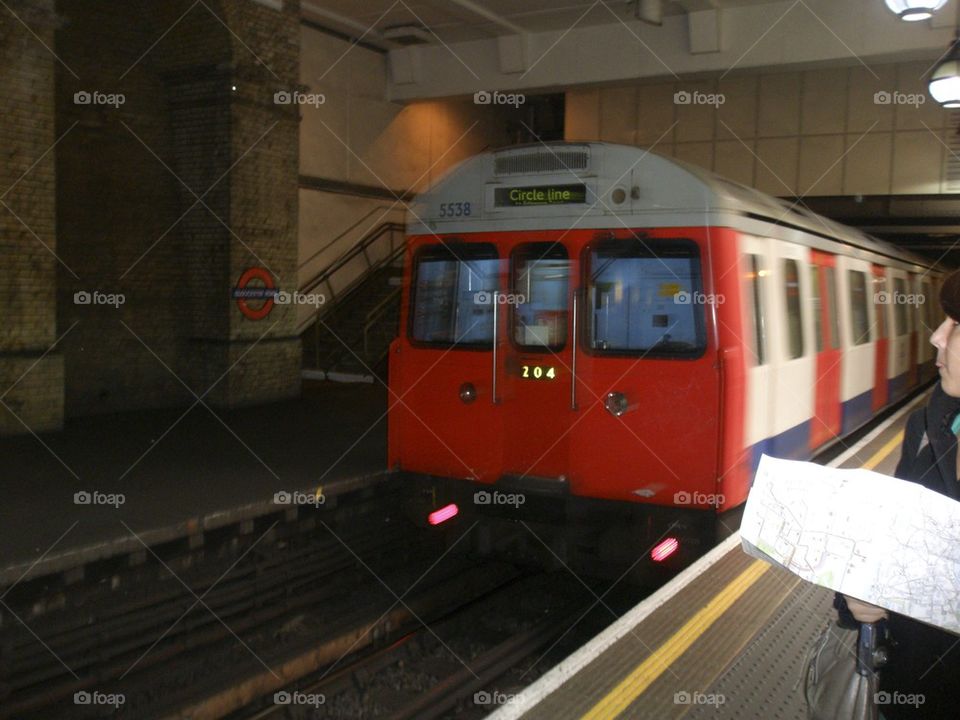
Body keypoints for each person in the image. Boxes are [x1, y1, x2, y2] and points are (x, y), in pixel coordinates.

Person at [838, 269, 960, 719]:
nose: (937, 339)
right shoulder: (929, 429)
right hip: (906, 688)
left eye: (955, 325)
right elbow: (887, 545)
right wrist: (860, 598)